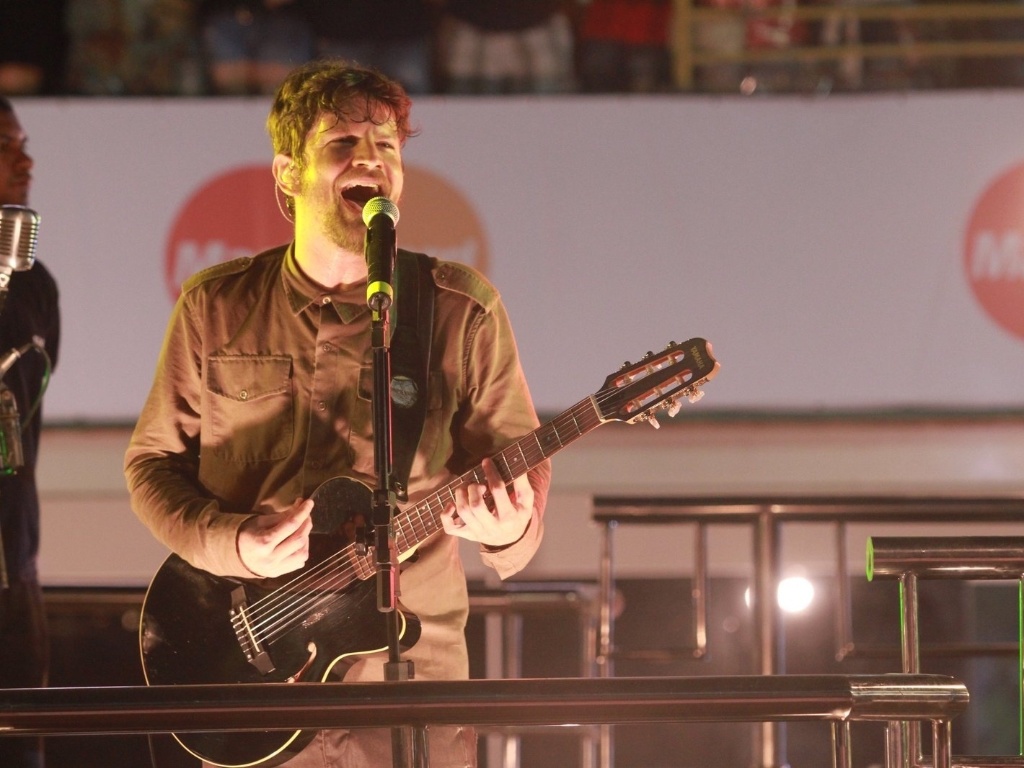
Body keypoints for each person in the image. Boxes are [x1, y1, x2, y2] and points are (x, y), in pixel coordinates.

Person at [124, 59, 550, 767]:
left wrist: (509, 528)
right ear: (288, 175)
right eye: (343, 145)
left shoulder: (460, 309)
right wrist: (234, 544)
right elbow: (151, 465)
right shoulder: (215, 304)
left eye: (387, 147)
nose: (372, 162)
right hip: (252, 683)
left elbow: (521, 496)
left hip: (411, 693)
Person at [0, 95, 61, 768]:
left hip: (14, 572)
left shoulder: (34, 286)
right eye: (5, 147)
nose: (26, 161)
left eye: (24, 143)